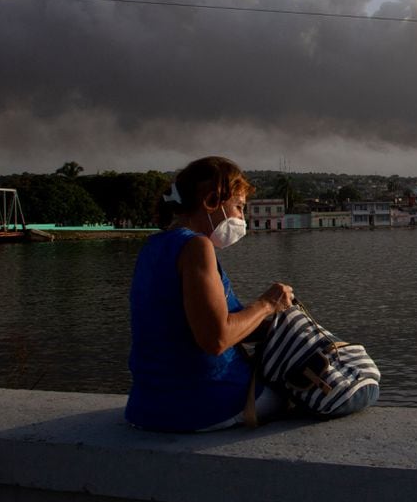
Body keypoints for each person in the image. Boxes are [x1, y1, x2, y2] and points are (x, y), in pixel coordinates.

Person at [124, 155, 293, 431]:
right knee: (313, 392)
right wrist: (267, 304)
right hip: (202, 404)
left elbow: (197, 324)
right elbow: (216, 339)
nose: (242, 218)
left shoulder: (154, 246)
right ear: (212, 202)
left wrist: (278, 324)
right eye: (239, 207)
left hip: (148, 406)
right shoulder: (196, 247)